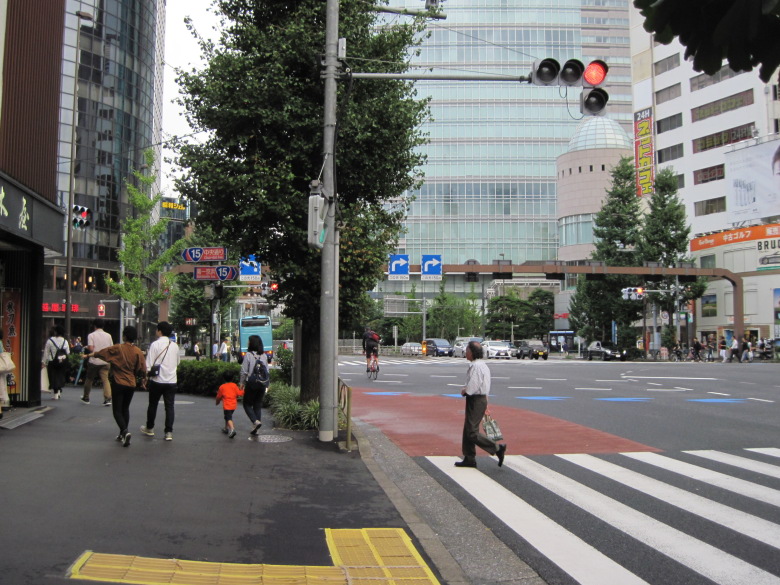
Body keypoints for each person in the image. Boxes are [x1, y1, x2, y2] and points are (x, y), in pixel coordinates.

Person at [88, 326, 146, 446]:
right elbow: (142, 368)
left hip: (118, 382)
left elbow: (103, 353)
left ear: (124, 336)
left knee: (117, 411)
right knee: (125, 408)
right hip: (131, 383)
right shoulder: (138, 351)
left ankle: (124, 431)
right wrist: (143, 379)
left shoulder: (118, 348)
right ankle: (122, 434)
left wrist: (93, 355)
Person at [456, 341, 506, 468]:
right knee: (468, 428)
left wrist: (465, 391)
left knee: (471, 432)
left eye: (467, 350)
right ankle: (469, 457)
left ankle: (497, 448)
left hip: (475, 399)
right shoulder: (482, 365)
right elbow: (485, 384)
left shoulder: (476, 366)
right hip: (481, 398)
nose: (466, 352)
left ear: (472, 352)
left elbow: (473, 385)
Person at [140, 321, 180, 441]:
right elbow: (178, 362)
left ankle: (150, 428)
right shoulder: (175, 346)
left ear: (160, 331)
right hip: (171, 381)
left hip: (157, 380)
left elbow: (149, 363)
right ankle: (168, 432)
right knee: (170, 407)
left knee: (153, 404)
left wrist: (145, 377)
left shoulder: (155, 345)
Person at [239, 334, 268, 435]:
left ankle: (255, 421)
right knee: (257, 405)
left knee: (246, 404)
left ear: (252, 343)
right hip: (262, 383)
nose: (247, 342)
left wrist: (241, 383)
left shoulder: (248, 355)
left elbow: (244, 371)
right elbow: (267, 371)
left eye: (249, 341)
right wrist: (267, 384)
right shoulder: (264, 355)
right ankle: (256, 428)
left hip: (252, 383)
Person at [82, 318, 113, 405]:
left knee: (89, 379)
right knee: (105, 380)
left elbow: (91, 349)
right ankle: (107, 399)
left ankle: (86, 397)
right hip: (105, 361)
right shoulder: (108, 335)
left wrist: (87, 347)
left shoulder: (91, 335)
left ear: (94, 326)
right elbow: (111, 348)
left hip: (94, 361)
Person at [42, 325, 69, 399]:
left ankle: (56, 394)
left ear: (55, 332)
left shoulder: (50, 340)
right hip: (62, 361)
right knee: (60, 376)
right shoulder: (65, 341)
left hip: (52, 361)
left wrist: (44, 362)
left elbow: (46, 352)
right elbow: (68, 352)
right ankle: (59, 391)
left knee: (53, 377)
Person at [216, 370, 244, 438]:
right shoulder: (234, 385)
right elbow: (239, 393)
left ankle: (232, 429)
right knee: (227, 416)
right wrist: (242, 389)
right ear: (232, 378)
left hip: (227, 406)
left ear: (224, 378)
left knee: (228, 418)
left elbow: (218, 396)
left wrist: (217, 402)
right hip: (233, 405)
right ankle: (226, 428)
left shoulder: (222, 387)